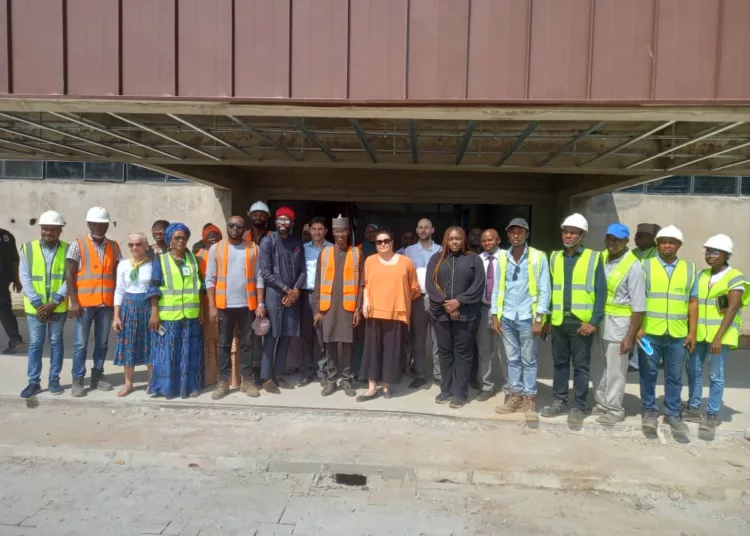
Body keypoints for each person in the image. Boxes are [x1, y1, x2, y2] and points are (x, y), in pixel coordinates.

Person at [541, 213, 606, 426]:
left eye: (573, 232)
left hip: (581, 323)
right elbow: (549, 291)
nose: (568, 236)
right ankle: (559, 401)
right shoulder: (554, 258)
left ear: (582, 235)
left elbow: (601, 292)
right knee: (559, 364)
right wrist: (547, 319)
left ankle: (578, 405)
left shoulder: (594, 258)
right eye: (565, 231)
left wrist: (594, 322)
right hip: (559, 321)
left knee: (580, 366)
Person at [636, 225, 697, 436]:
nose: (667, 245)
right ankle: (649, 411)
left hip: (677, 334)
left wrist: (692, 332)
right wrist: (638, 328)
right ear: (657, 244)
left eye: (671, 242)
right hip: (649, 334)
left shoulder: (690, 269)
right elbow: (638, 300)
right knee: (648, 373)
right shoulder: (644, 266)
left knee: (674, 375)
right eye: (663, 241)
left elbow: (692, 302)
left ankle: (673, 413)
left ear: (679, 245)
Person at [684, 234, 749, 431]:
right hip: (700, 335)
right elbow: (693, 304)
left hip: (719, 338)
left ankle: (712, 413)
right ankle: (694, 407)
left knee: (715, 375)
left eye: (715, 252)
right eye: (707, 252)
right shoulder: (701, 275)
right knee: (693, 370)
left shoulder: (735, 277)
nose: (710, 255)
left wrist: (718, 338)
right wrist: (692, 333)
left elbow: (732, 307)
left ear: (726, 255)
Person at [492, 219, 550, 421]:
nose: (516, 236)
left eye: (520, 232)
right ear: (508, 235)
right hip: (507, 316)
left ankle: (529, 399)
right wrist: (494, 315)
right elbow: (498, 287)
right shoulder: (503, 258)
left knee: (529, 360)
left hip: (528, 317)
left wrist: (539, 318)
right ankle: (515, 396)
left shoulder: (537, 257)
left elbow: (545, 289)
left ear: (527, 233)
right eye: (512, 232)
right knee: (512, 359)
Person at [591, 224, 646, 426]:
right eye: (609, 238)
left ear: (626, 242)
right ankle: (602, 403)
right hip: (599, 321)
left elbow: (639, 305)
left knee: (616, 369)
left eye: (617, 239)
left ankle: (615, 409)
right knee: (599, 366)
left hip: (619, 325)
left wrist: (630, 336)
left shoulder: (633, 265)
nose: (611, 242)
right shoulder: (601, 258)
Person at [207, 216, 266, 399]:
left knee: (248, 345)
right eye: (231, 225)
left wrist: (260, 303)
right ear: (227, 227)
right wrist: (211, 306)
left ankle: (247, 381)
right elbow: (210, 278)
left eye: (238, 226)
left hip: (247, 305)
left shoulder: (253, 248)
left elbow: (259, 277)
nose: (234, 228)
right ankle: (223, 382)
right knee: (224, 345)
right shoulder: (217, 248)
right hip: (224, 305)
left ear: (244, 229)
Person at [66, 207, 123, 397]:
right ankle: (78, 379)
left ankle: (98, 376)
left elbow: (118, 275)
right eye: (95, 224)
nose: (99, 227)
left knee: (103, 343)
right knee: (80, 343)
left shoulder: (114, 247)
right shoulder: (78, 245)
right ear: (89, 224)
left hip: (106, 305)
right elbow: (69, 274)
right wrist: (73, 301)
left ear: (107, 224)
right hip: (84, 305)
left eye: (103, 224)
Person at [358, 228, 420, 402]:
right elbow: (366, 285)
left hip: (396, 313)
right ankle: (371, 387)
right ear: (376, 244)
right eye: (379, 242)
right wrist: (366, 302)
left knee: (391, 352)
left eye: (386, 241)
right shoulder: (370, 261)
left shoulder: (406, 262)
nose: (383, 244)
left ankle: (386, 386)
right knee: (372, 350)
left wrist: (401, 300)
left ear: (392, 242)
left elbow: (414, 289)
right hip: (374, 311)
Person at [426, 227, 484, 409]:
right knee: (445, 352)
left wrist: (459, 301)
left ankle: (460, 392)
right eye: (451, 239)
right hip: (441, 315)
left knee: (463, 354)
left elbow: (477, 285)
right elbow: (430, 285)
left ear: (463, 240)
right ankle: (446, 389)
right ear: (445, 240)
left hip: (466, 315)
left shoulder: (473, 259)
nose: (454, 242)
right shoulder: (436, 259)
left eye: (458, 239)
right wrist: (447, 304)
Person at [147, 223, 204, 399]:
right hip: (168, 317)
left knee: (190, 353)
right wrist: (154, 313)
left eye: (184, 237)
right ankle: (167, 388)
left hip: (191, 316)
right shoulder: (160, 260)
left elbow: (200, 288)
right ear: (169, 240)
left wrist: (201, 311)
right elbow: (154, 289)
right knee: (168, 355)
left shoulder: (194, 260)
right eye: (177, 238)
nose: (181, 241)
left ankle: (191, 386)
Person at [18, 211, 68, 398]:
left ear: (60, 230)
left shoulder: (68, 249)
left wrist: (54, 302)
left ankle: (54, 379)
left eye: (53, 229)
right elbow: (24, 276)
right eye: (45, 228)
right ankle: (34, 382)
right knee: (36, 344)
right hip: (35, 308)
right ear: (41, 229)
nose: (48, 232)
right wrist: (39, 304)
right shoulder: (27, 248)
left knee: (56, 342)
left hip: (57, 307)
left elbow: (70, 278)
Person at [313, 215, 363, 397]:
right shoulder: (324, 253)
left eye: (343, 231)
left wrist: (358, 308)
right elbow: (317, 283)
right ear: (332, 233)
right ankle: (331, 380)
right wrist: (317, 310)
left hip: (348, 308)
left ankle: (347, 380)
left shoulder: (357, 253)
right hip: (328, 308)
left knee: (348, 344)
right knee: (330, 344)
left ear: (348, 232)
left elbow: (362, 284)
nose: (340, 234)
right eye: (337, 231)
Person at [259, 206, 305, 393]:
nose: (283, 223)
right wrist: (287, 290)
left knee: (286, 336)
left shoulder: (296, 243)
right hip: (273, 296)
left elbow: (303, 271)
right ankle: (266, 378)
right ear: (276, 222)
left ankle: (278, 374)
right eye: (280, 219)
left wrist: (295, 291)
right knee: (271, 337)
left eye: (287, 220)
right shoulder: (267, 242)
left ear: (292, 223)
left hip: (292, 297)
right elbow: (266, 272)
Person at [112, 232, 153, 397]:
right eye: (131, 245)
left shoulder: (153, 265)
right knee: (129, 345)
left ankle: (152, 382)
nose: (135, 247)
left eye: (139, 244)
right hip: (128, 308)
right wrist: (116, 316)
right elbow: (119, 290)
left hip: (147, 307)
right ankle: (128, 383)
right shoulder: (123, 265)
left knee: (150, 344)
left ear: (146, 246)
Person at [403, 218, 442, 389]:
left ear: (432, 230)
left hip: (437, 300)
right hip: (417, 299)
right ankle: (420, 374)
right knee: (418, 340)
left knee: (437, 339)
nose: (424, 230)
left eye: (427, 227)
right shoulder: (408, 251)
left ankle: (439, 375)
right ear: (417, 230)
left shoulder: (441, 250)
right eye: (420, 227)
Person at [299, 216, 332, 386]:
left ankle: (322, 372)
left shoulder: (332, 249)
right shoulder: (302, 249)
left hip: (325, 297)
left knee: (322, 336)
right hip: (306, 296)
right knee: (306, 336)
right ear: (309, 231)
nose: (317, 232)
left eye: (320, 229)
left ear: (325, 231)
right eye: (314, 229)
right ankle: (306, 371)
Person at [475, 229, 504, 402]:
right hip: (483, 307)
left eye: (490, 240)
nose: (487, 243)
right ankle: (486, 386)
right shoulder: (478, 259)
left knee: (505, 352)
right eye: (484, 241)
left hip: (503, 310)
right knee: (485, 351)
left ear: (498, 240)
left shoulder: (507, 258)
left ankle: (510, 388)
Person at [196, 224, 227, 388]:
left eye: (216, 236)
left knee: (226, 341)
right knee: (209, 342)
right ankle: (210, 378)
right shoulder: (198, 256)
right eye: (209, 237)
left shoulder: (225, 253)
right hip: (207, 304)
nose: (213, 239)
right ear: (204, 239)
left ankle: (229, 378)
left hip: (225, 303)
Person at [245, 201, 273, 377]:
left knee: (267, 331)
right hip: (248, 293)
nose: (258, 217)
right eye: (255, 213)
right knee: (250, 332)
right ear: (250, 215)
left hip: (269, 292)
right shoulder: (244, 236)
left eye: (262, 214)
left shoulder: (273, 237)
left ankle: (266, 370)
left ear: (267, 217)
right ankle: (251, 369)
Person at [0, 225, 24, 355]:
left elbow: (14, 259)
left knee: (4, 310)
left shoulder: (7, 236)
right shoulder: (7, 236)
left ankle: (15, 340)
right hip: (4, 279)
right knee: (4, 310)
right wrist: (16, 279)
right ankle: (15, 340)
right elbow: (15, 259)